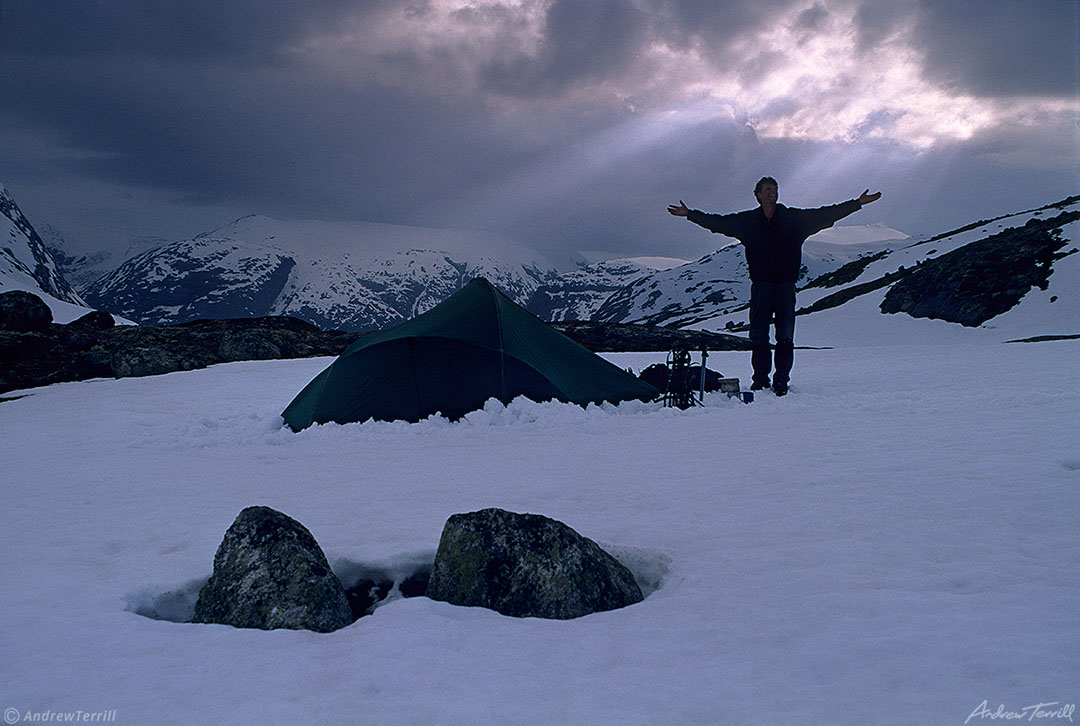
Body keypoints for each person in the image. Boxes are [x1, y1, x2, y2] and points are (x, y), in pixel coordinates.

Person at [668, 178, 881, 395]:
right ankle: (760, 380)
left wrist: (858, 203)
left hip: (786, 286)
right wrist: (690, 214)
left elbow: (826, 214)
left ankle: (781, 381)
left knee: (785, 335)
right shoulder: (748, 222)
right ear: (758, 195)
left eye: (775, 189)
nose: (773, 193)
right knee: (759, 335)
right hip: (761, 286)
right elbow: (719, 223)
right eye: (768, 190)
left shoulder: (793, 219)